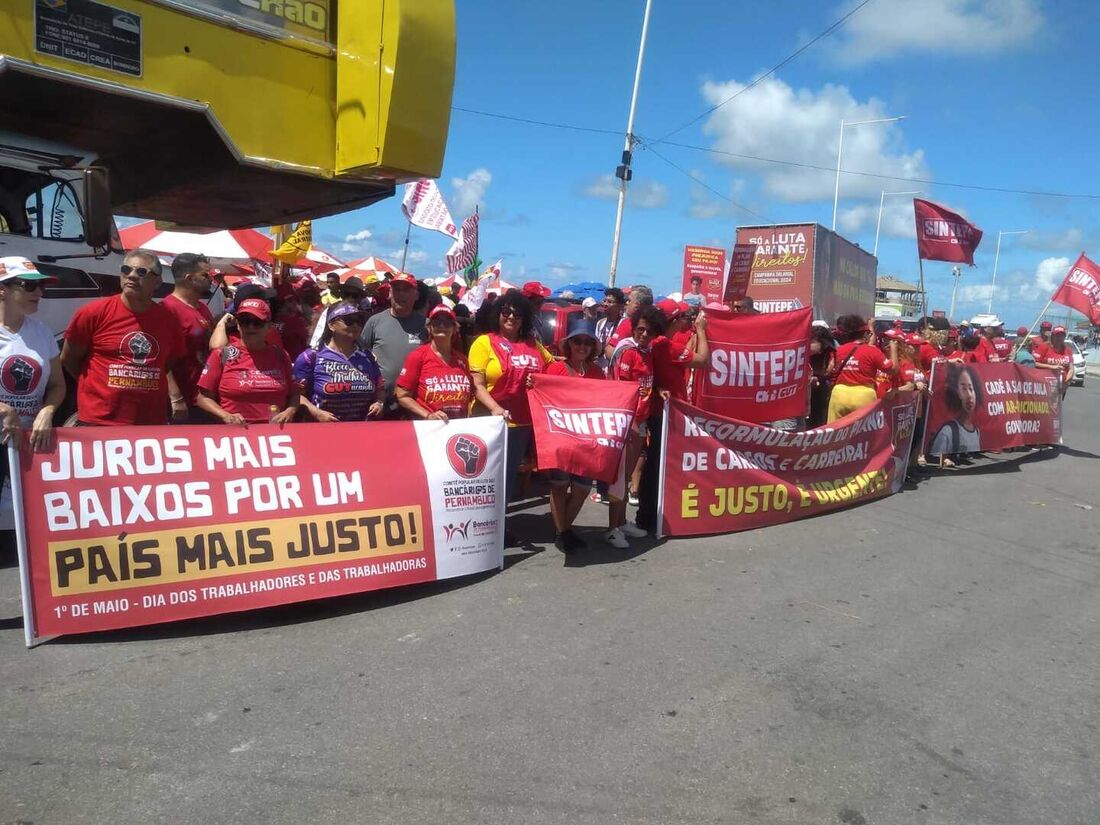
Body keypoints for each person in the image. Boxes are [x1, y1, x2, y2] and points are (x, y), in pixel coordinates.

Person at [61, 249, 187, 426]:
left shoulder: (169, 321)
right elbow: (69, 358)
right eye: (126, 270)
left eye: (142, 272)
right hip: (99, 421)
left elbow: (167, 363)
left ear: (158, 281)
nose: (132, 275)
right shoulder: (93, 312)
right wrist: (97, 387)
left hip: (148, 423)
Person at [468, 291, 553, 507]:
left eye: (517, 314)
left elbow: (553, 369)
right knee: (483, 478)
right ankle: (482, 527)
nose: (511, 317)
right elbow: (476, 385)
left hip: (521, 423)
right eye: (506, 312)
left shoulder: (533, 344)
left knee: (506, 479)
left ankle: (500, 526)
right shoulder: (483, 342)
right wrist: (495, 408)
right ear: (498, 314)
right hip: (488, 422)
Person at [634, 300, 709, 533]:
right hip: (666, 415)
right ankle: (648, 517)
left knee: (654, 465)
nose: (687, 321)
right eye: (684, 318)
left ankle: (648, 515)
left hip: (658, 411)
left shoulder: (654, 344)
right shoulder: (665, 345)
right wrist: (702, 331)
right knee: (658, 467)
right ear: (674, 321)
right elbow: (703, 360)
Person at [0, 257, 65, 492]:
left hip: (30, 444)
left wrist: (47, 411)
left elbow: (58, 385)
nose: (38, 291)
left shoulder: (43, 333)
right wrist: (4, 409)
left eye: (41, 286)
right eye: (28, 285)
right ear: (2, 290)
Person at [606, 305, 666, 549]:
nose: (644, 334)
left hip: (641, 421)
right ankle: (611, 528)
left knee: (629, 473)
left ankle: (621, 522)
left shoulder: (647, 352)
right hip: (627, 422)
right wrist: (629, 421)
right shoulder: (628, 352)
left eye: (649, 331)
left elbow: (646, 387)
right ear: (633, 329)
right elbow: (621, 388)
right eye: (640, 329)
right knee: (620, 477)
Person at [543, 321, 605, 553]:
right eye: (577, 341)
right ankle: (563, 533)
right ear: (569, 343)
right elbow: (543, 397)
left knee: (581, 488)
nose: (582, 346)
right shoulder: (555, 370)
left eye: (588, 342)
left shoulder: (598, 373)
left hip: (587, 442)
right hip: (560, 438)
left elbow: (606, 403)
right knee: (559, 486)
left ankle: (563, 529)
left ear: (593, 347)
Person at [197, 298, 299, 425]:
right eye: (245, 321)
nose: (251, 327)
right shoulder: (222, 355)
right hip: (237, 436)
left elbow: (294, 394)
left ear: (268, 326)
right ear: (238, 325)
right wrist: (225, 416)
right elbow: (202, 398)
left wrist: (290, 411)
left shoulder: (281, 355)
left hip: (275, 436)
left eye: (257, 322)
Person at [293, 302, 385, 422]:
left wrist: (379, 403)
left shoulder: (368, 356)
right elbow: (295, 395)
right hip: (323, 431)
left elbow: (380, 388)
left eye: (359, 321)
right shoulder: (310, 357)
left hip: (362, 430)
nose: (355, 325)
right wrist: (316, 413)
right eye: (349, 320)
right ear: (331, 325)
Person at [359, 273, 428, 416]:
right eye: (397, 290)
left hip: (415, 404)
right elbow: (361, 356)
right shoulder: (375, 321)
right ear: (390, 293)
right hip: (380, 405)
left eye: (406, 290)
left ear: (416, 295)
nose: (401, 294)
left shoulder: (426, 325)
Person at [161, 252, 214, 421]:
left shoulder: (202, 308)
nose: (210, 279)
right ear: (189, 278)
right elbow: (161, 360)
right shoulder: (167, 309)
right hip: (182, 402)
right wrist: (176, 398)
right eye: (205, 275)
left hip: (204, 399)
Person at [396, 305, 473, 421]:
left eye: (447, 323)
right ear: (429, 328)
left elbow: (470, 396)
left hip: (458, 429)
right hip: (429, 431)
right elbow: (401, 396)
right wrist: (428, 415)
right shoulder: (417, 356)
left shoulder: (462, 360)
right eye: (436, 323)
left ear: (455, 328)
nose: (441, 326)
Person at [827, 314, 898, 423]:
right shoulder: (872, 351)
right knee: (863, 435)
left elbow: (829, 370)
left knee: (835, 433)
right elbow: (893, 369)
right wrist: (894, 349)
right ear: (865, 334)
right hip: (863, 396)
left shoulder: (838, 350)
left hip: (839, 395)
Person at [929, 363, 982, 456]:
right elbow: (935, 459)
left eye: (971, 388)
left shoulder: (977, 432)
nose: (969, 395)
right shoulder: (947, 432)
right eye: (964, 388)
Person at [808, 321, 837, 427]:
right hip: (816, 386)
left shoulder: (828, 350)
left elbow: (830, 367)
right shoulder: (798, 352)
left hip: (819, 387)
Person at [1034, 325, 1075, 395]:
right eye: (1057, 335)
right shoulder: (1044, 347)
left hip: (1061, 386)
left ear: (1064, 337)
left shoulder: (1068, 351)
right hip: (1044, 385)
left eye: (1062, 336)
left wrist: (1066, 383)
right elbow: (1034, 363)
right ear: (1052, 336)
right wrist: (1051, 367)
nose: (1059, 338)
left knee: (1057, 405)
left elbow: (1071, 369)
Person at [596, 287, 626, 367]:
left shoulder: (623, 324)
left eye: (610, 302)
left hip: (614, 367)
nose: (605, 304)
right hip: (600, 366)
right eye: (604, 301)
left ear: (620, 306)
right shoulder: (600, 323)